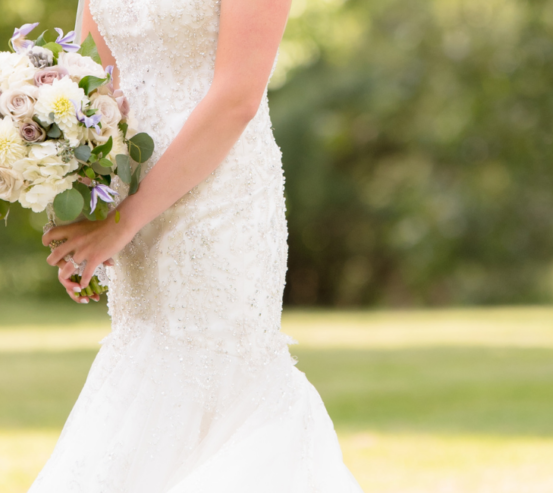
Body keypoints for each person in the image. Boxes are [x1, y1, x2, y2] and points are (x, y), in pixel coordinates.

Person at [31, 0, 363, 490]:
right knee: (145, 361)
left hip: (219, 197)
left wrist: (123, 222)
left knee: (221, 371)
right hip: (129, 179)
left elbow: (237, 98)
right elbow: (91, 78)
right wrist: (89, 212)